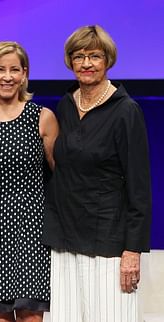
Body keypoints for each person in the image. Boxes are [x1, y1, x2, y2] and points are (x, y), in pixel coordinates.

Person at [42, 25, 152, 322]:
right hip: (65, 240)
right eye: (79, 56)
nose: (86, 63)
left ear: (108, 60)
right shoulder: (66, 105)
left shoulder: (126, 111)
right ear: (70, 61)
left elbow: (139, 188)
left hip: (107, 243)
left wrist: (132, 250)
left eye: (94, 56)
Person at [0, 41, 59, 322]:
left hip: (33, 233)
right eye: (0, 69)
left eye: (14, 69)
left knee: (31, 317)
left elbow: (61, 178)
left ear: (24, 74)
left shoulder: (43, 118)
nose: (7, 76)